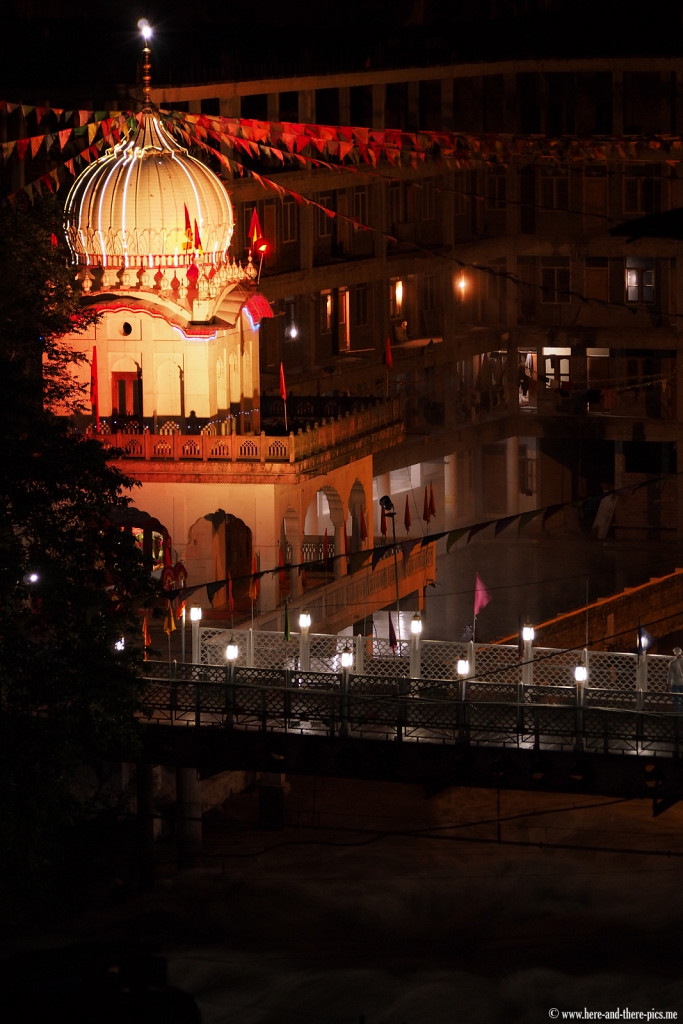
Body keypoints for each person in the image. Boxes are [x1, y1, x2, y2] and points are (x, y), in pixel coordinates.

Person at [667, 647, 683, 711]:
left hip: (675, 683)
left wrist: (668, 684)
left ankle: (676, 713)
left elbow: (670, 675)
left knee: (676, 700)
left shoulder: (672, 663)